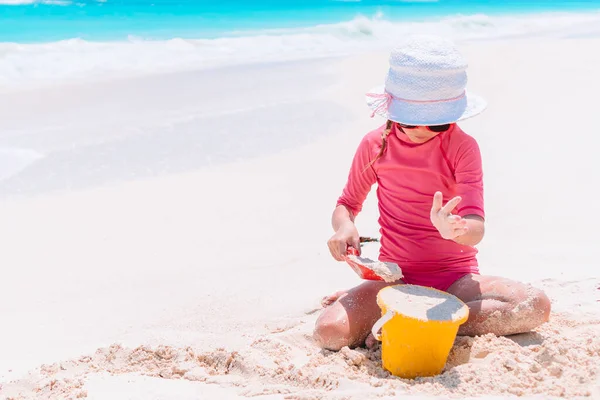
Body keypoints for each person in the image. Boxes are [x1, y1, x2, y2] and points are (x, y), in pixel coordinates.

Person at [314, 35, 551, 351]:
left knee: (535, 305)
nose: (423, 129)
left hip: (454, 282)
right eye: (411, 120)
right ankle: (416, 316)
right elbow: (346, 204)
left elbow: (475, 229)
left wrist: (455, 230)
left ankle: (409, 321)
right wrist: (345, 227)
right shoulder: (375, 145)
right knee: (329, 332)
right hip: (393, 281)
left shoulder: (462, 147)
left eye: (437, 124)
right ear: (393, 109)